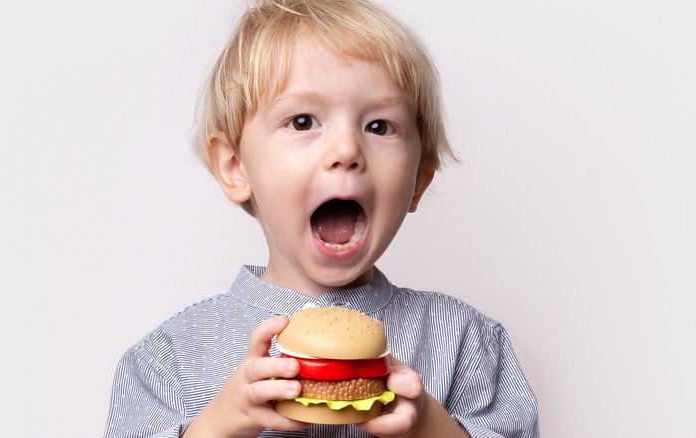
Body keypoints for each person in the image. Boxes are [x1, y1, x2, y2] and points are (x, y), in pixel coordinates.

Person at [103, 0, 539, 437]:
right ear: (236, 167)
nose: (347, 150)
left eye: (379, 126)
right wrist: (218, 425)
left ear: (419, 179)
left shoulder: (465, 342)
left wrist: (429, 425)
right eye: (303, 120)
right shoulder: (170, 359)